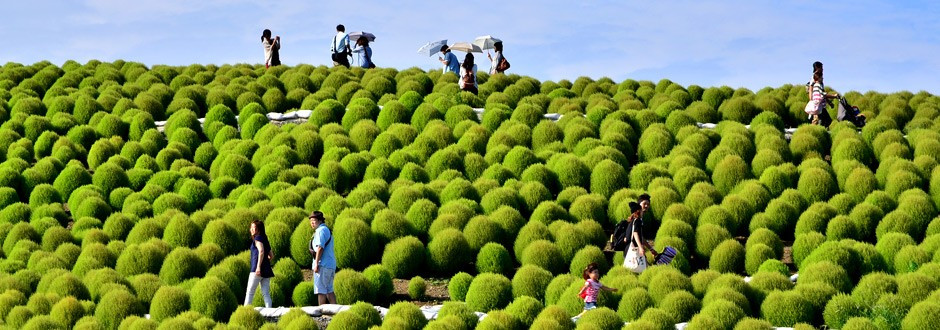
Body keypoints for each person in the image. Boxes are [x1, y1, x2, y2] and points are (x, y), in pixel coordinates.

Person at [308, 211, 336, 305]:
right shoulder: (326, 230)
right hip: (329, 264)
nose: (312, 222)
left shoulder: (321, 231)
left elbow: (320, 247)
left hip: (322, 264)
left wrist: (316, 263)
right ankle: (335, 310)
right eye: (311, 220)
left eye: (314, 220)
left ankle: (321, 311)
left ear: (320, 220)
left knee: (321, 290)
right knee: (329, 290)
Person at [244, 220, 274, 307]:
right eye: (251, 227)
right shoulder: (265, 239)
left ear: (259, 229)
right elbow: (271, 256)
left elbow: (261, 251)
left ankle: (245, 311)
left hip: (256, 270)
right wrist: (265, 263)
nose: (251, 229)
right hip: (266, 270)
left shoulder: (257, 239)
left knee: (250, 292)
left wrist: (258, 267)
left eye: (254, 227)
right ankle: (269, 311)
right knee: (266, 293)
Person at [623, 202, 658, 273]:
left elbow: (640, 237)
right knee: (643, 268)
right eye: (641, 210)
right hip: (634, 249)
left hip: (628, 248)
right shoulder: (638, 221)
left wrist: (650, 249)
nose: (642, 212)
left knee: (633, 269)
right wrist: (640, 247)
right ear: (638, 211)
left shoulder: (631, 222)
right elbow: (635, 234)